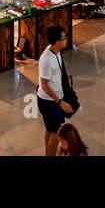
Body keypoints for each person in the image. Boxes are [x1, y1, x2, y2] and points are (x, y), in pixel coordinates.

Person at [36, 25, 73, 155]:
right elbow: (44, 85)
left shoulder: (55, 51)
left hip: (52, 100)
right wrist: (60, 102)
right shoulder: (46, 59)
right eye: (64, 38)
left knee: (50, 130)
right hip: (49, 102)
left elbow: (56, 70)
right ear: (57, 41)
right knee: (56, 132)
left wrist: (64, 75)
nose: (66, 39)